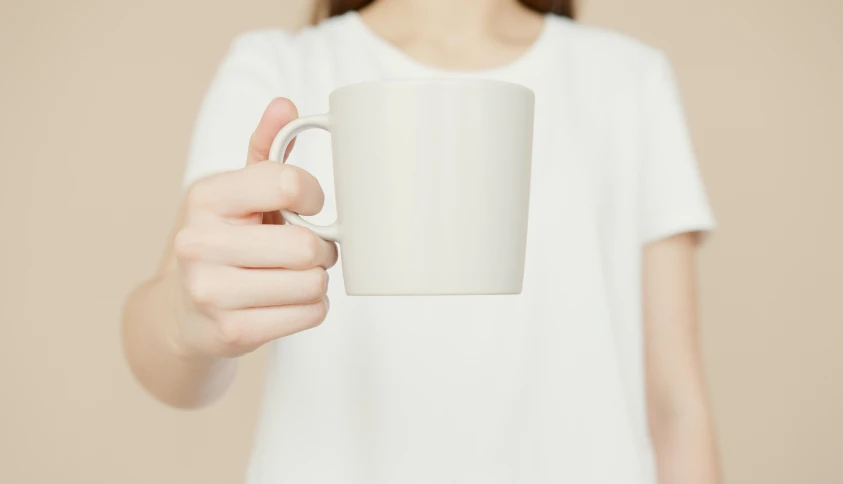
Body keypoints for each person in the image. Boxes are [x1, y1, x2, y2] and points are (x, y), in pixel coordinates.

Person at [122, 0, 721, 482]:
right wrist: (185, 319)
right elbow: (168, 366)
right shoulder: (276, 67)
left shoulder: (629, 80)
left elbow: (676, 408)